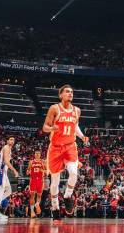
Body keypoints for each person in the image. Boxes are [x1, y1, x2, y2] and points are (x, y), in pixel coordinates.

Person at [43, 84, 89, 222]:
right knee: (55, 181)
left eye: (72, 92)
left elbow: (75, 126)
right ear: (60, 95)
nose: (70, 93)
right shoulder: (54, 108)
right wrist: (52, 128)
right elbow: (45, 127)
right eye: (67, 92)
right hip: (56, 148)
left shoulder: (77, 110)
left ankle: (68, 196)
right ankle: (55, 207)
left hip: (70, 146)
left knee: (74, 172)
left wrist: (82, 136)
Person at [27, 151, 47, 218]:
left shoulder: (43, 162)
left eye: (38, 153)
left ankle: (37, 204)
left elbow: (47, 172)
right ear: (34, 154)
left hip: (40, 180)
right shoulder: (31, 162)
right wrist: (28, 171)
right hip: (33, 180)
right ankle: (32, 212)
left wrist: (42, 171)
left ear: (40, 155)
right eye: (36, 153)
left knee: (39, 195)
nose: (37, 154)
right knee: (32, 195)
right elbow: (28, 171)